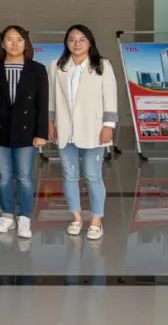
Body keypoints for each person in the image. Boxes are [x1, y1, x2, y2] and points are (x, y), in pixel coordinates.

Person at [48, 24, 117, 241]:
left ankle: (96, 220)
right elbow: (51, 98)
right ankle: (76, 218)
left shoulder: (102, 65)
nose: (76, 44)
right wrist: (50, 122)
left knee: (93, 175)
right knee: (69, 175)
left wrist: (109, 126)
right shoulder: (57, 66)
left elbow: (110, 97)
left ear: (90, 42)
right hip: (65, 129)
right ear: (66, 43)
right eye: (72, 39)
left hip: (93, 129)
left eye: (82, 39)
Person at [0, 25, 48, 240]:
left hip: (27, 132)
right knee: (4, 176)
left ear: (26, 43)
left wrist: (41, 133)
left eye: (19, 39)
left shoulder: (37, 69)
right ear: (2, 43)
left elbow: (43, 104)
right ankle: (6, 215)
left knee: (24, 176)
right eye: (10, 39)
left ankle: (24, 217)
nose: (14, 44)